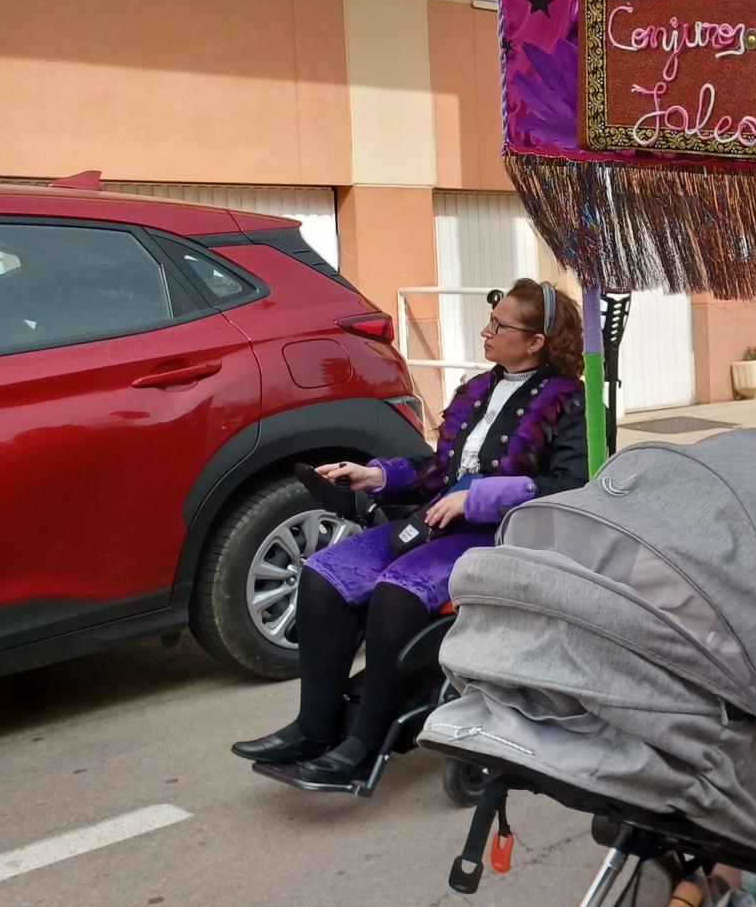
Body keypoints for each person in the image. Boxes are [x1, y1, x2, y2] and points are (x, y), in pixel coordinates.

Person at [231, 280, 588, 785]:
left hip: (501, 535)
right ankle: (314, 726)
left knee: (397, 591)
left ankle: (363, 743)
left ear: (535, 341)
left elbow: (570, 486)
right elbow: (439, 470)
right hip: (436, 521)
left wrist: (478, 497)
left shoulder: (570, 402)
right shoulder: (478, 389)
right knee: (322, 574)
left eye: (500, 326)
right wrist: (375, 475)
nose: (486, 331)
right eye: (491, 320)